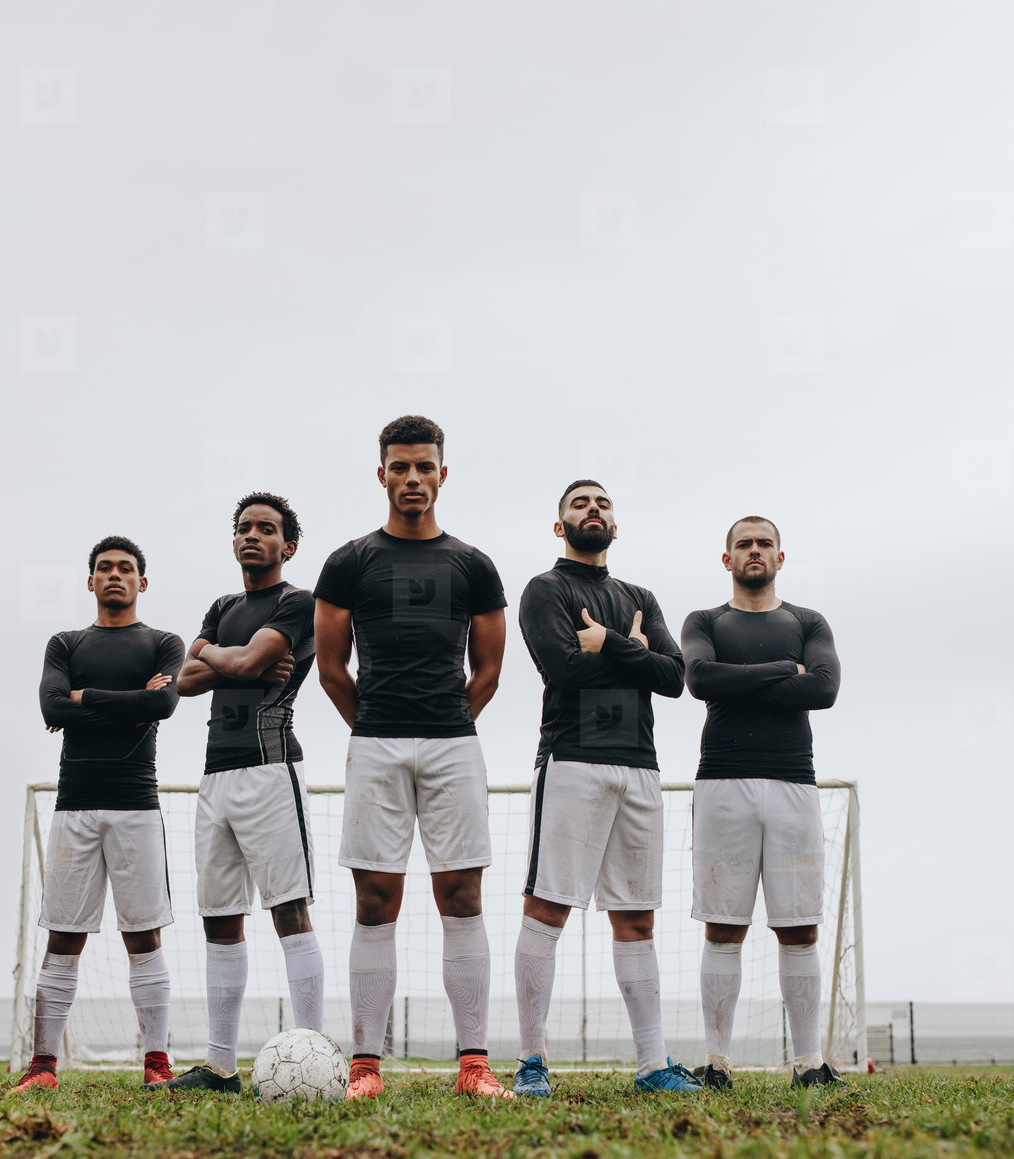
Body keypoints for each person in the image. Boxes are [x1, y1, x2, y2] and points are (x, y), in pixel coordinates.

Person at [314, 415, 511, 1099]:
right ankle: (365, 1066)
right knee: (375, 898)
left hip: (454, 745)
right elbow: (331, 667)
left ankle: (474, 1066)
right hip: (375, 746)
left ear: (442, 475)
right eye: (400, 468)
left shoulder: (473, 565)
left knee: (462, 895)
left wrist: (446, 724)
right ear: (382, 476)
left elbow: (487, 671)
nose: (412, 479)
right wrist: (374, 727)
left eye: (424, 467)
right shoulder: (348, 562)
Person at [512, 480, 698, 1098]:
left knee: (637, 919)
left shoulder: (639, 594)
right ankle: (531, 1060)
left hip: (640, 766)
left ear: (614, 525)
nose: (593, 509)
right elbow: (562, 666)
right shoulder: (546, 589)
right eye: (579, 504)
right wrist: (635, 653)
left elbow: (675, 677)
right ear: (559, 524)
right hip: (572, 761)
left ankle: (652, 1065)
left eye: (603, 504)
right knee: (547, 907)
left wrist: (611, 644)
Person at [161, 493, 323, 1094]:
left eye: (266, 529)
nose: (252, 536)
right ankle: (221, 1067)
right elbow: (185, 680)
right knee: (220, 919)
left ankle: (313, 1055)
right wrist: (222, 657)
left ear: (289, 545)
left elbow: (253, 664)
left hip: (270, 770)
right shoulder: (223, 605)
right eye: (244, 528)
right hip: (215, 776)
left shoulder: (296, 602)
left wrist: (216, 656)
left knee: (288, 910)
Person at [14, 536, 184, 1092]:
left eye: (126, 568)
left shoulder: (164, 642)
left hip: (136, 804)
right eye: (104, 568)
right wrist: (126, 701)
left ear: (142, 581)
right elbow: (49, 705)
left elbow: (162, 705)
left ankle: (156, 1063)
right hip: (75, 804)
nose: (115, 575)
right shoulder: (64, 642)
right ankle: (43, 1068)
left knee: (143, 937)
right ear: (90, 581)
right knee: (63, 935)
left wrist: (83, 701)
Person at [681, 516, 842, 1090]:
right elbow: (700, 679)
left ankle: (808, 1064)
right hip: (723, 783)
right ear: (727, 559)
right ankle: (717, 1063)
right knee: (723, 928)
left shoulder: (807, 620)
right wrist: (781, 671)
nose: (755, 551)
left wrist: (742, 678)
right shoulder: (705, 621)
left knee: (799, 927)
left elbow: (823, 689)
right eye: (744, 544)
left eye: (764, 543)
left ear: (781, 556)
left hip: (794, 784)